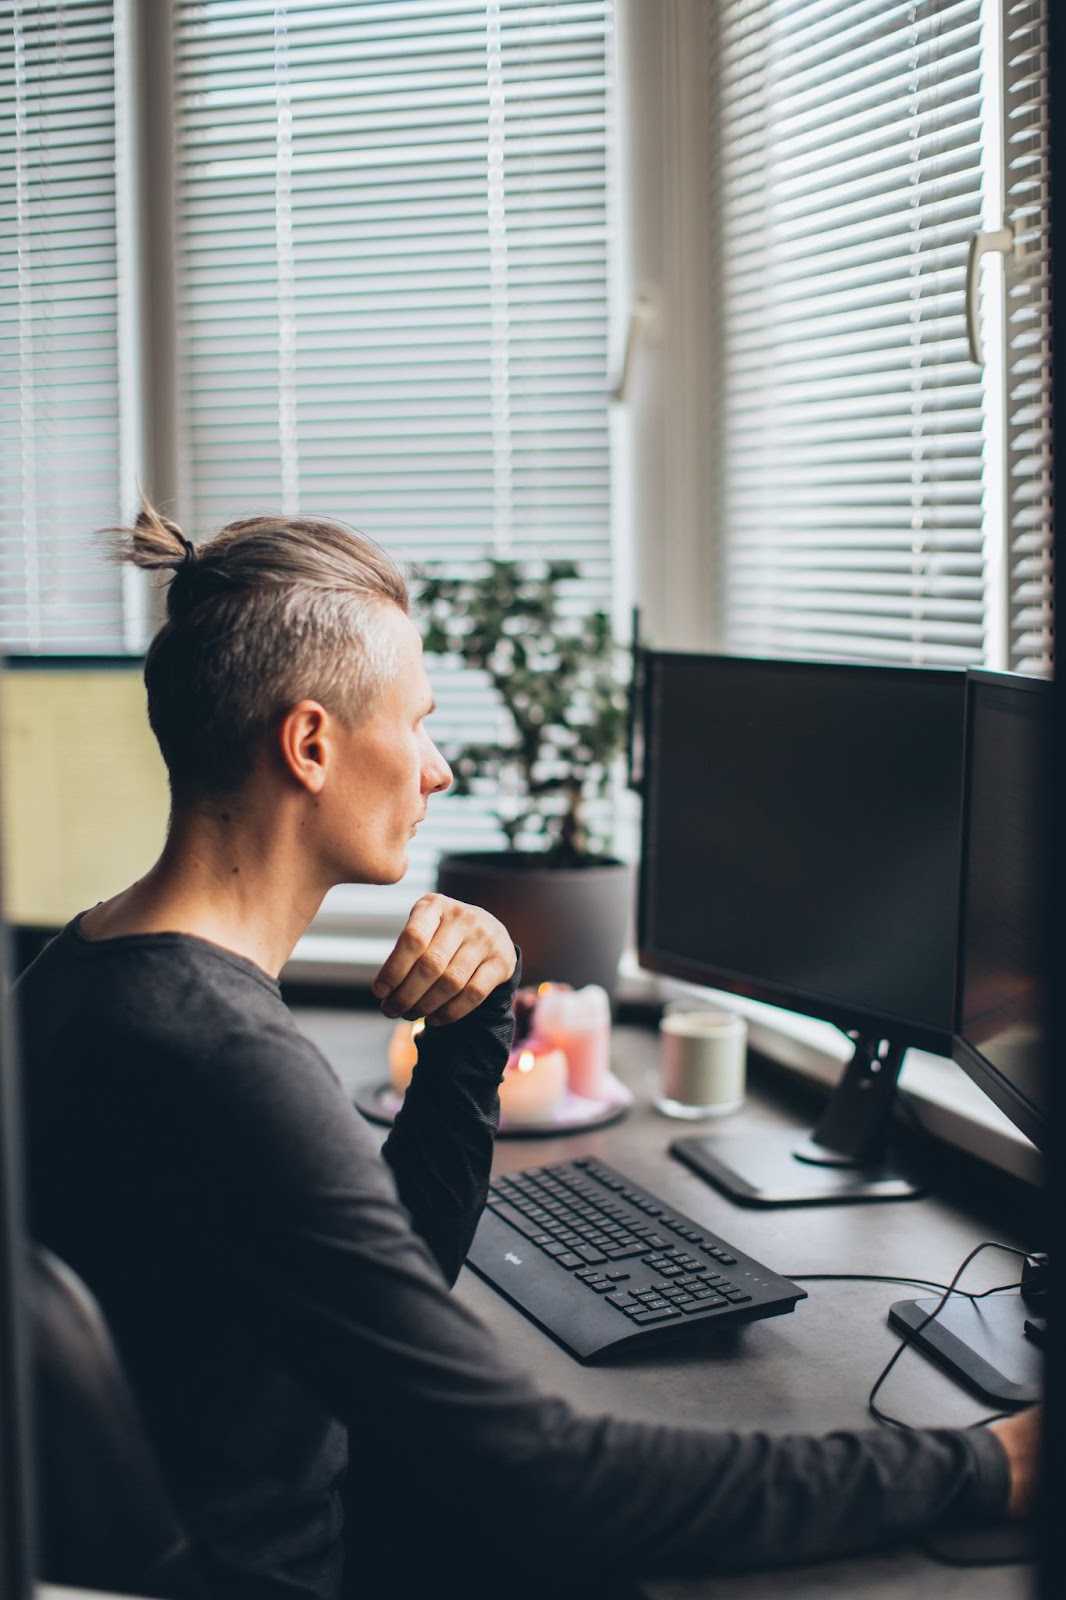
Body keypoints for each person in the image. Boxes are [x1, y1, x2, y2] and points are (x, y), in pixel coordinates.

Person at [17, 505, 1039, 1600]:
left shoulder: (84, 971)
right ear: (310, 745)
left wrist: (473, 1026)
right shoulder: (224, 1056)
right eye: (416, 724)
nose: (439, 770)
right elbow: (542, 1474)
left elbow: (388, 1278)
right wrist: (978, 1462)